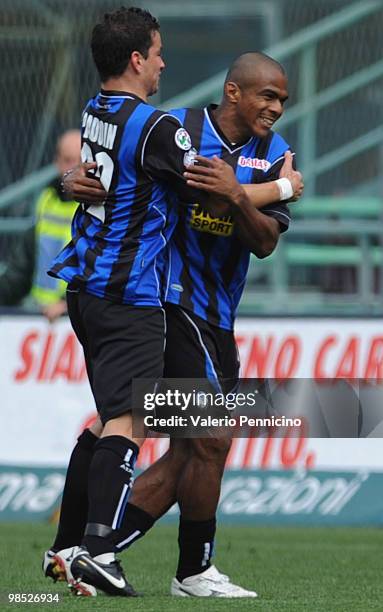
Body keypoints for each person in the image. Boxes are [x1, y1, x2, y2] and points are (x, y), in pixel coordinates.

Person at [45, 38, 303, 598]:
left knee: (190, 442)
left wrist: (244, 198)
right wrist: (271, 189)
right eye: (268, 97)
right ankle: (181, 567)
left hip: (219, 315)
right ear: (233, 92)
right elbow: (146, 185)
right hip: (170, 300)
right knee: (208, 435)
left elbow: (264, 243)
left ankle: (92, 549)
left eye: (283, 101)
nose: (276, 110)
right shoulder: (179, 129)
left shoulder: (275, 148)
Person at [0, 131, 81, 320]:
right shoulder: (46, 200)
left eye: (81, 159)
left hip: (76, 316)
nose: (75, 168)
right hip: (43, 318)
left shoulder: (100, 207)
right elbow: (21, 270)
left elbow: (99, 267)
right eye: (69, 160)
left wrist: (67, 302)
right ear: (57, 162)